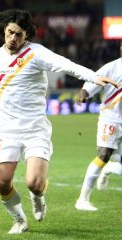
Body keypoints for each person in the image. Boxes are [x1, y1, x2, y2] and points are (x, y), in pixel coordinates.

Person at [0, 9, 118, 234]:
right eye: (10, 32)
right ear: (3, 31)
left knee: (34, 182)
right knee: (3, 181)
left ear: (27, 36)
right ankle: (19, 220)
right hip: (5, 128)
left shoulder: (36, 53)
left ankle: (38, 197)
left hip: (35, 127)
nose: (13, 38)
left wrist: (93, 77)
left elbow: (65, 64)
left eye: (19, 34)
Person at [75, 41, 122, 211]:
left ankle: (109, 168)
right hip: (111, 118)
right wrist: (84, 93)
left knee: (114, 161)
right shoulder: (112, 67)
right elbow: (92, 82)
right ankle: (82, 200)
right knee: (103, 155)